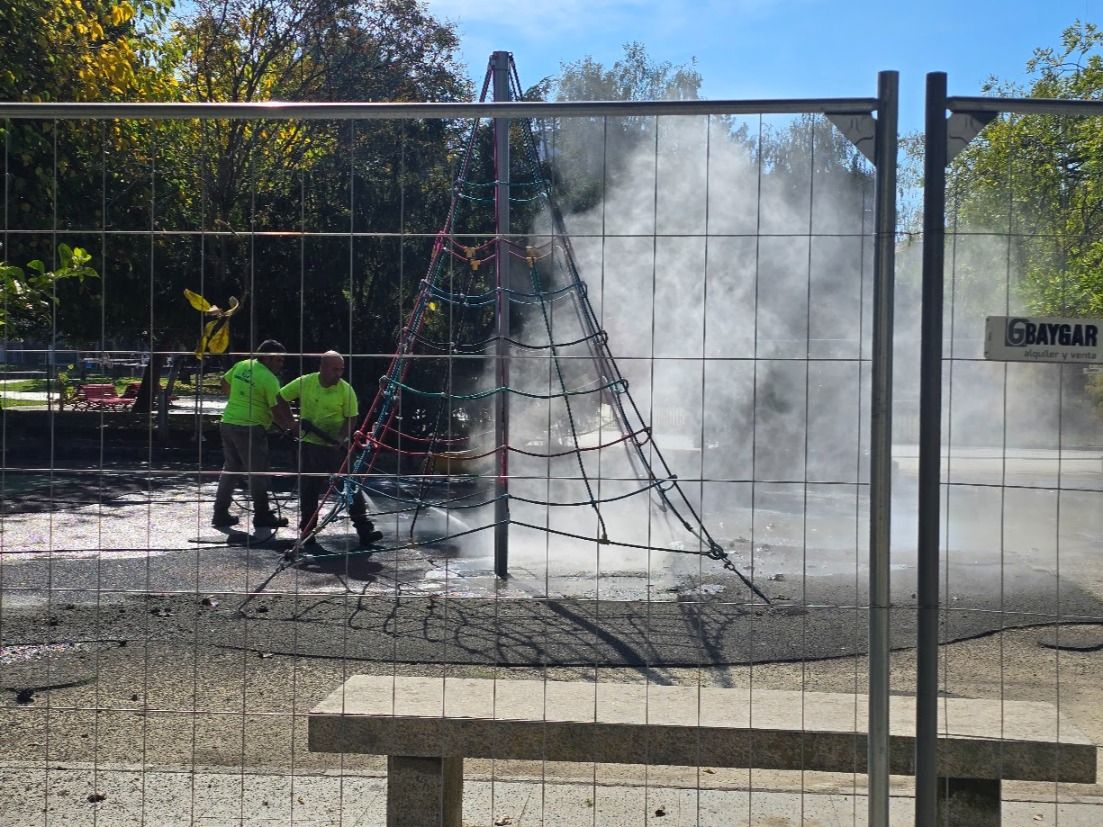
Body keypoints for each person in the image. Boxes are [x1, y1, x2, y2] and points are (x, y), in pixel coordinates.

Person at [280, 350, 382, 547]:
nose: (338, 373)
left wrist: (342, 437)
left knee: (351, 486)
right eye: (334, 369)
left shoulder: (346, 390)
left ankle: (364, 530)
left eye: (341, 369)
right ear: (322, 368)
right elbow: (281, 397)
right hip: (310, 446)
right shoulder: (305, 382)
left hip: (337, 447)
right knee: (310, 489)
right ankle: (308, 532)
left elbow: (351, 417)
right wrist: (290, 424)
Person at [212, 339, 297, 530]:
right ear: (266, 358)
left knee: (231, 469)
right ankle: (261, 515)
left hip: (228, 422)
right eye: (278, 360)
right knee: (258, 473)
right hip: (250, 429)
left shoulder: (242, 365)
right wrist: (290, 426)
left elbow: (223, 382)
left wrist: (240, 399)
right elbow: (277, 409)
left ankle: (220, 513)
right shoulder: (269, 379)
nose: (281, 364)